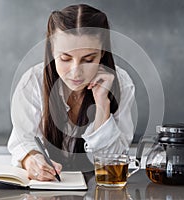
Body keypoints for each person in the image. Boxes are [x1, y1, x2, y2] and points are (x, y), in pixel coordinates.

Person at [8, 4, 136, 181]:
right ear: (52, 51)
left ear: (102, 53)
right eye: (65, 58)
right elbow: (22, 142)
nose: (76, 72)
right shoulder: (33, 82)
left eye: (89, 59)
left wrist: (102, 105)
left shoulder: (121, 83)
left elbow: (112, 162)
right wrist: (32, 160)